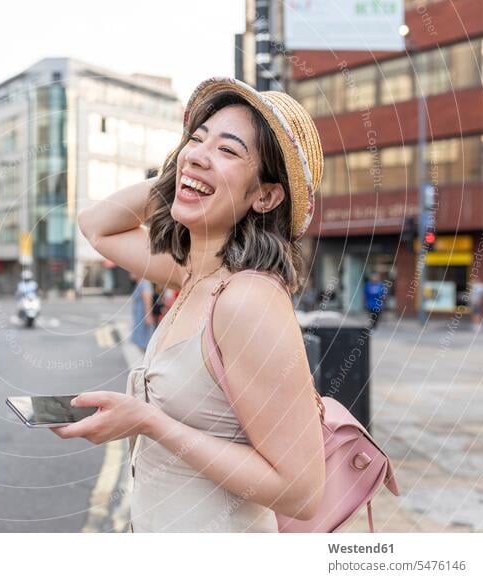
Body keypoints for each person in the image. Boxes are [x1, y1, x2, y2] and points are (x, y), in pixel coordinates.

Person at [51, 77, 326, 533]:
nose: (198, 152)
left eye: (229, 151)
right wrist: (187, 173)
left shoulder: (247, 300)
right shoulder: (196, 275)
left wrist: (150, 422)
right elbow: (96, 225)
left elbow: (302, 491)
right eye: (196, 139)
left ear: (266, 195)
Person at [129, 273, 155, 350]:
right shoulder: (140, 283)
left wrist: (148, 315)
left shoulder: (144, 283)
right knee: (140, 342)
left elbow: (147, 298)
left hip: (142, 317)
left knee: (144, 341)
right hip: (139, 317)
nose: (130, 273)